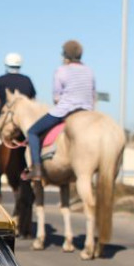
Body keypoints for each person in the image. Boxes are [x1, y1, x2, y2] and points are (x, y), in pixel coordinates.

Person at [23, 40, 95, 181]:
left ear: (66, 55)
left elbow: (56, 98)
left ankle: (36, 168)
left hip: (66, 110)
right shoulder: (89, 71)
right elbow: (93, 95)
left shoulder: (61, 70)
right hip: (86, 111)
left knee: (32, 132)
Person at [0, 53, 37, 168]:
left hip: (6, 116)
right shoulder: (27, 79)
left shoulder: (1, 79)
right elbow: (32, 99)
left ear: (6, 64)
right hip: (24, 118)